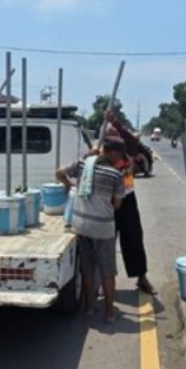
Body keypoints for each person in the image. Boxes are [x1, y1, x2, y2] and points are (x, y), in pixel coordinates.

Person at [56, 138, 127, 323]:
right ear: (114, 153)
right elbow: (117, 204)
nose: (121, 158)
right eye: (120, 155)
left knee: (87, 270)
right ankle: (110, 312)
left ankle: (89, 307)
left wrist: (68, 185)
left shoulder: (82, 164)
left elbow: (59, 172)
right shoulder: (116, 175)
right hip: (102, 228)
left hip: (81, 226)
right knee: (107, 272)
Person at [104, 111, 156, 295]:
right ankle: (103, 280)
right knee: (105, 242)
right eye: (110, 137)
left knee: (133, 238)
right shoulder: (101, 156)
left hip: (127, 200)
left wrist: (116, 123)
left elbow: (132, 141)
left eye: (117, 136)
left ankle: (141, 277)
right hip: (106, 203)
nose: (115, 141)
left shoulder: (126, 152)